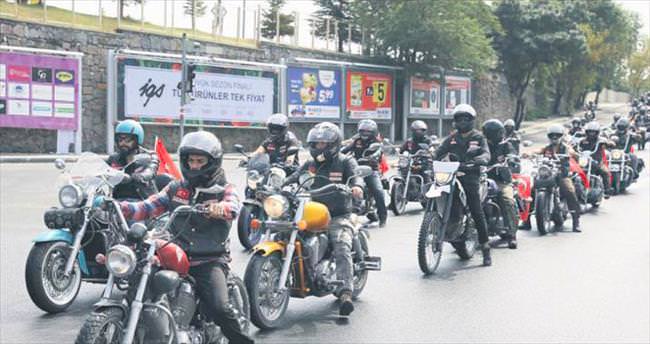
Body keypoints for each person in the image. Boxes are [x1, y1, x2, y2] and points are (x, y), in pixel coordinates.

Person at [116, 131, 254, 344]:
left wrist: (220, 208)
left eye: (200, 161)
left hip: (208, 259)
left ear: (212, 162)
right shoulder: (176, 187)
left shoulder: (224, 189)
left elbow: (233, 206)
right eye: (191, 161)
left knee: (220, 307)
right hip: (173, 252)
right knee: (138, 276)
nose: (195, 166)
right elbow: (149, 205)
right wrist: (119, 207)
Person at [284, 122, 364, 316]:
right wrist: (277, 186)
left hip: (338, 214)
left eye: (323, 144)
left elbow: (356, 176)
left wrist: (357, 187)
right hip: (312, 213)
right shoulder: (309, 164)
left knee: (341, 244)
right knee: (284, 231)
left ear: (333, 144)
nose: (319, 147)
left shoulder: (345, 161)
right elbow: (294, 177)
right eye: (316, 144)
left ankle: (345, 291)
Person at [433, 104, 492, 266]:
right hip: (451, 174)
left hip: (470, 176)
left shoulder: (478, 137)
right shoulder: (452, 138)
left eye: (466, 119)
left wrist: (480, 160)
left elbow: (486, 153)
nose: (462, 122)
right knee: (434, 191)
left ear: (472, 120)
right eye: (459, 119)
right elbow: (439, 152)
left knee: (476, 210)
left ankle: (486, 249)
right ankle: (435, 222)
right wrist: (430, 157)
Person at [527, 124, 582, 232]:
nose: (555, 138)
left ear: (561, 136)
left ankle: (576, 221)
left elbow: (572, 152)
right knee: (531, 190)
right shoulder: (547, 148)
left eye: (557, 135)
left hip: (562, 174)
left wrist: (572, 154)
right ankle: (526, 220)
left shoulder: (565, 147)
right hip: (548, 174)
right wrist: (529, 153)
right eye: (552, 136)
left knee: (569, 190)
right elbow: (538, 150)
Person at [341, 119, 388, 227]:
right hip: (356, 169)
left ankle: (382, 217)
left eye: (368, 132)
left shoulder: (376, 142)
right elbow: (346, 149)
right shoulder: (357, 141)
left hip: (370, 170)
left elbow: (378, 152)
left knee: (378, 191)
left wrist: (372, 157)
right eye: (363, 131)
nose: (365, 134)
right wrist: (337, 154)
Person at [482, 119, 519, 249]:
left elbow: (513, 154)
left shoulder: (505, 144)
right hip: (483, 179)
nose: (500, 134)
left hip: (501, 180)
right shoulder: (482, 144)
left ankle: (512, 233)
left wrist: (511, 159)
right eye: (497, 132)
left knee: (508, 200)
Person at [107, 119, 160, 200]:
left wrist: (138, 176)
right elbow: (104, 170)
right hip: (117, 201)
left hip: (143, 201)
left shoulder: (149, 156)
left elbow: (150, 171)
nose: (123, 143)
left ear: (137, 140)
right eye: (120, 140)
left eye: (127, 140)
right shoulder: (114, 158)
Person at [578, 121, 615, 197]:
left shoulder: (601, 140)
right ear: (586, 132)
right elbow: (574, 145)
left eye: (593, 132)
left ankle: (607, 190)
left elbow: (611, 143)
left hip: (597, 162)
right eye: (590, 132)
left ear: (597, 132)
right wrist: (572, 144)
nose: (591, 134)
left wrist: (608, 143)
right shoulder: (582, 141)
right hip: (584, 162)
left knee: (605, 172)